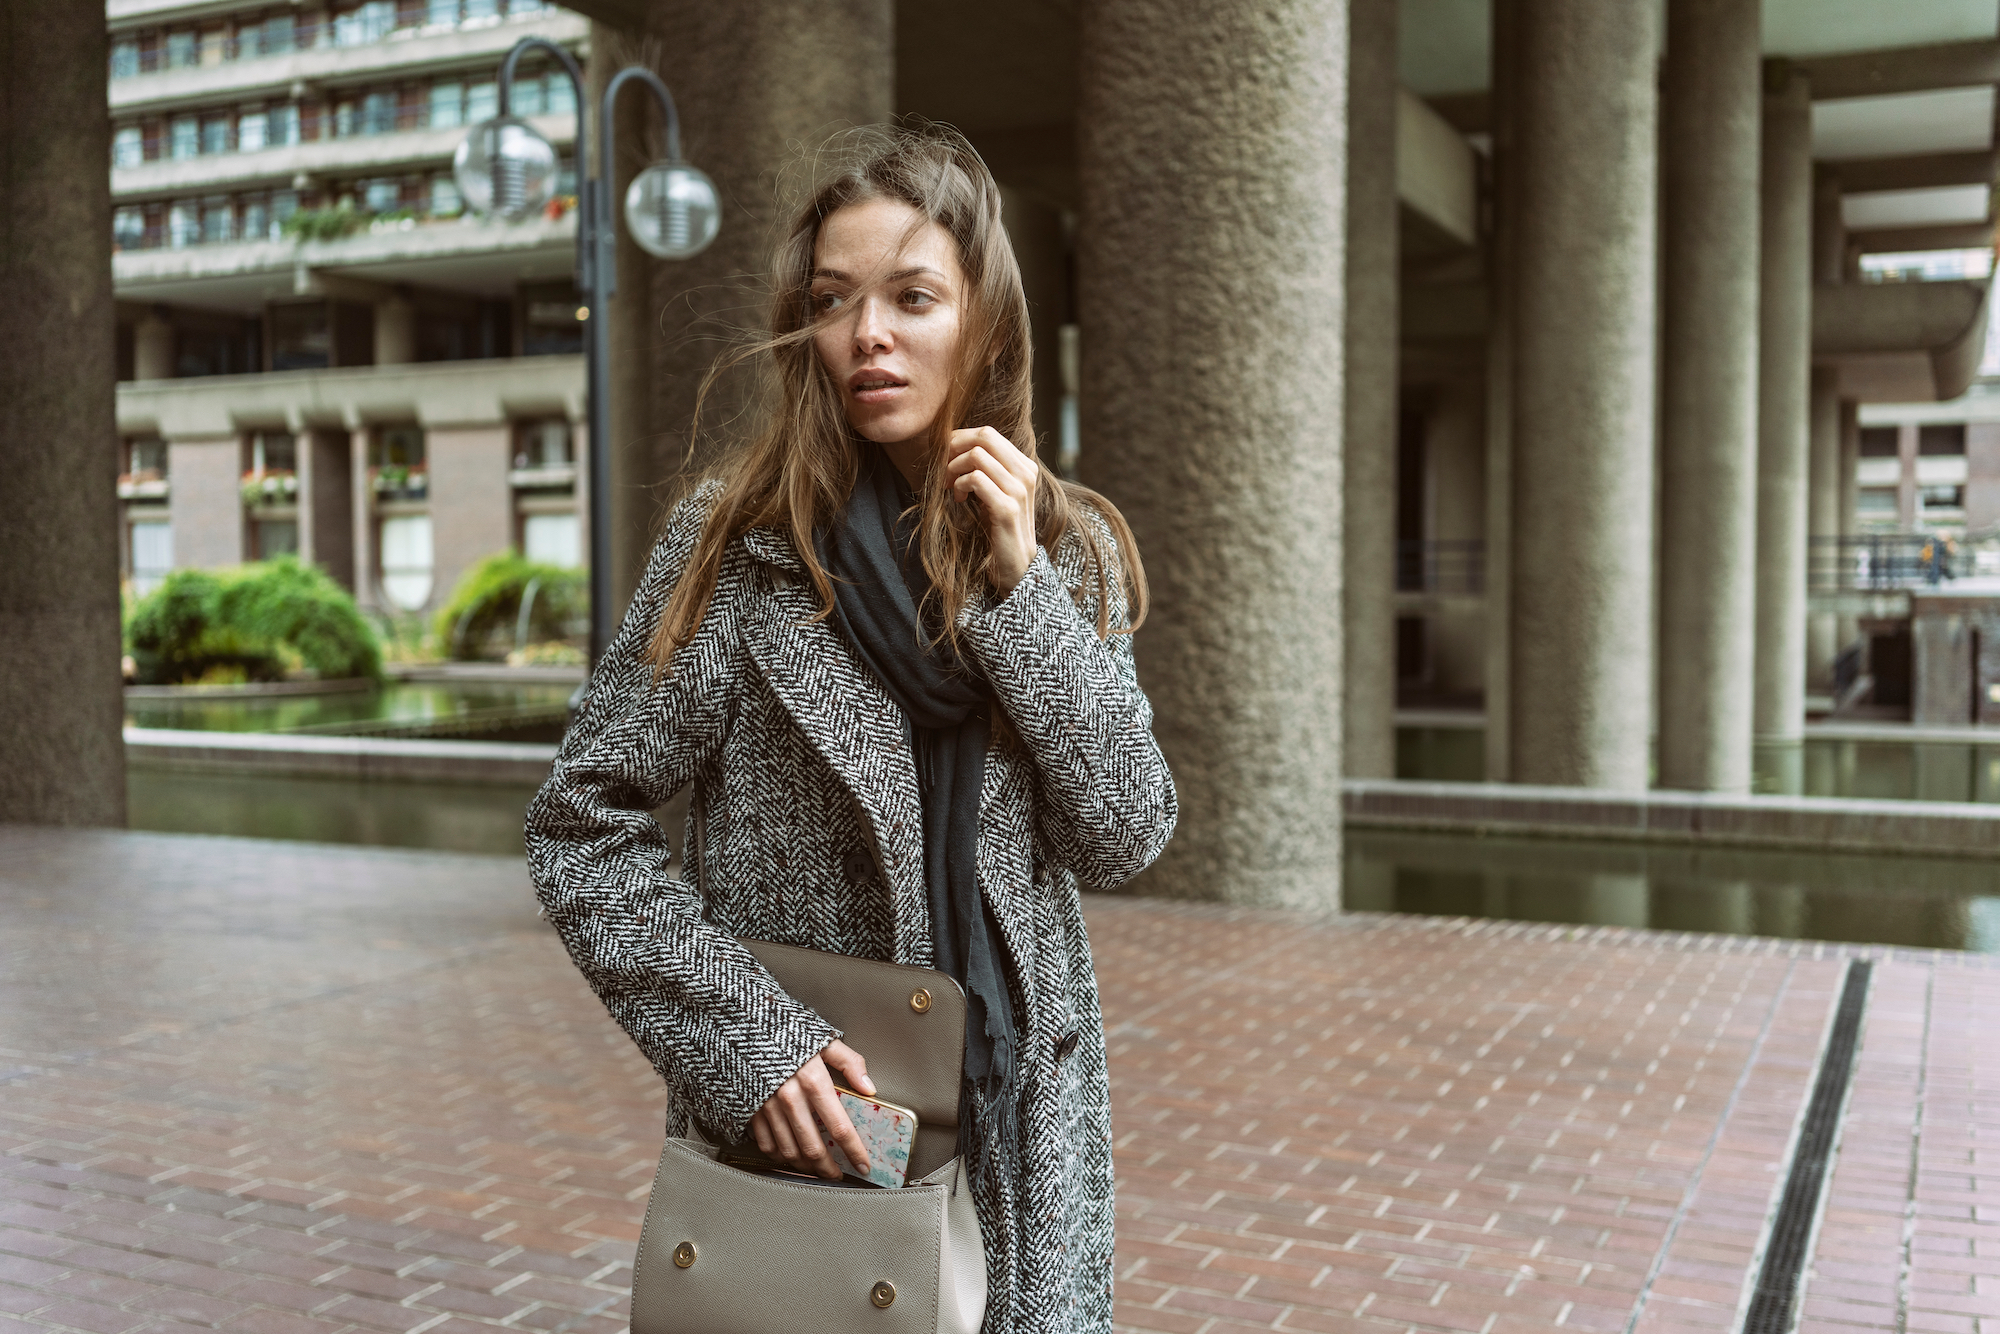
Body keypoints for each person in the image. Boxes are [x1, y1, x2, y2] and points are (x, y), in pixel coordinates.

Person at [524, 124, 1176, 1333]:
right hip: (822, 1124)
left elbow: (1124, 832)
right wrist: (748, 1046)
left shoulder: (1062, 546)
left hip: (1020, 1134)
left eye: (912, 296)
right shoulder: (739, 548)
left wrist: (1014, 591)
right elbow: (582, 823)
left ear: (982, 317)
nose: (867, 334)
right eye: (833, 300)